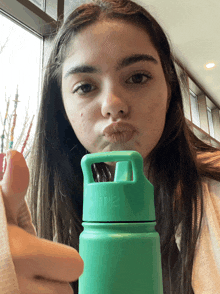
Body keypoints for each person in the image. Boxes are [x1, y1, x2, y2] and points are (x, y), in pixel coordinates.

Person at [1, 0, 220, 293]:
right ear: (61, 106)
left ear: (168, 88)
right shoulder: (38, 213)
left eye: (138, 77)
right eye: (86, 87)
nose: (113, 105)